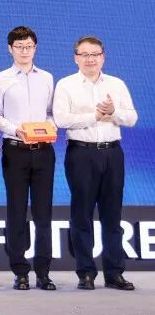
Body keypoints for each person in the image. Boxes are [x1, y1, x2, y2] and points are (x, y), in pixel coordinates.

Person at [53, 36, 137, 291]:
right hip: (81, 154)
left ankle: (114, 273)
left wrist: (113, 112)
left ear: (103, 57)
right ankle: (86, 273)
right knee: (82, 215)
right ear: (75, 58)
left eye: (95, 54)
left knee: (113, 215)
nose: (90, 59)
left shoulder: (116, 84)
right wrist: (95, 116)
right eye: (84, 54)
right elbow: (61, 119)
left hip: (112, 153)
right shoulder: (66, 84)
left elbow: (132, 118)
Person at [0, 25, 57, 291]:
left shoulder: (47, 77)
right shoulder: (0, 79)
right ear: (10, 49)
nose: (24, 51)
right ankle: (20, 271)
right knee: (16, 211)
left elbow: (51, 112)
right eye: (19, 46)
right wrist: (16, 129)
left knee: (43, 212)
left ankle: (43, 272)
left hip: (43, 151)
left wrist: (49, 127)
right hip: (15, 149)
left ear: (35, 48)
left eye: (28, 46)